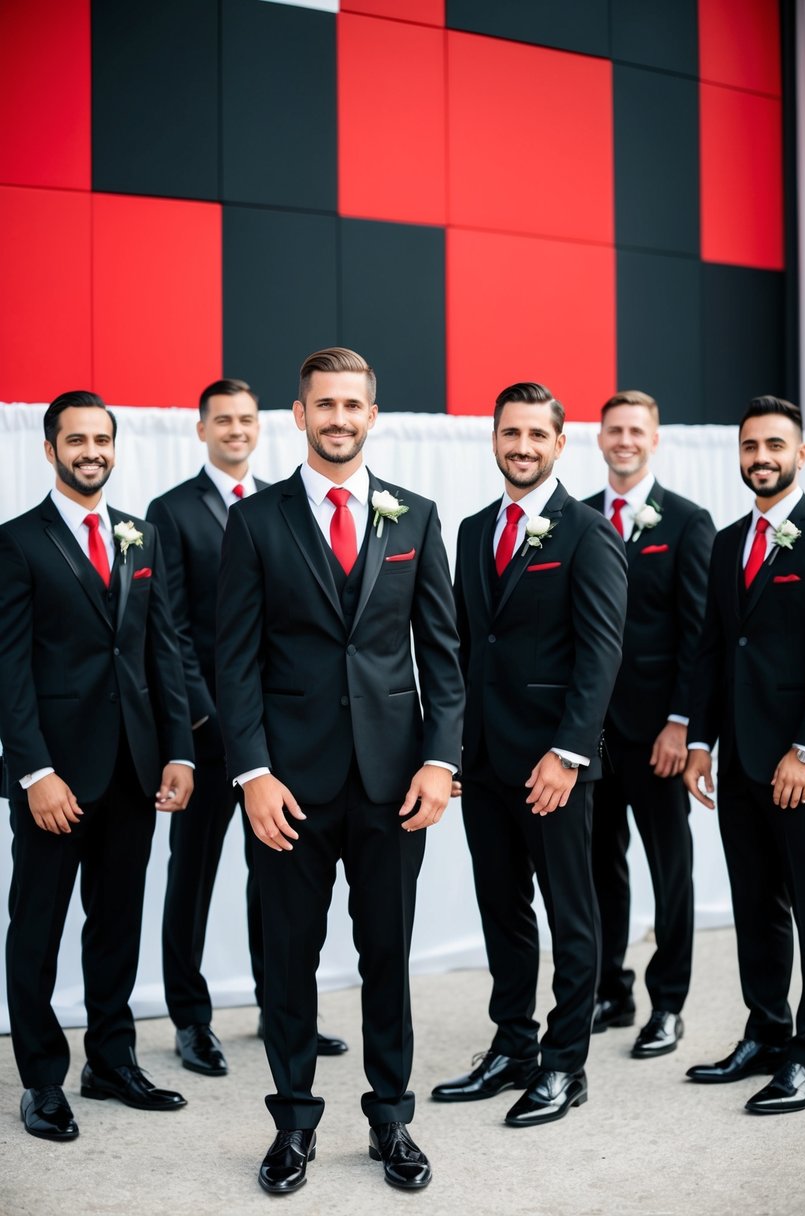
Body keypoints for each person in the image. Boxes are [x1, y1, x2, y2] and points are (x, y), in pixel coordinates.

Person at [214, 347, 464, 1193]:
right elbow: (234, 663)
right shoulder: (255, 521)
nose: (338, 419)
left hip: (395, 783)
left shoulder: (416, 517)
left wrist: (439, 760)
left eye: (352, 405)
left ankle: (391, 1118)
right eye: (324, 405)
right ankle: (291, 1122)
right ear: (299, 415)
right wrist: (250, 772)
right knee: (288, 958)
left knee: (386, 955)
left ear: (371, 413)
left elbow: (443, 653)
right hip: (288, 785)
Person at [0, 390, 194, 1142]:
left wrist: (177, 748)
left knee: (116, 923)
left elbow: (163, 651)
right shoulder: (17, 543)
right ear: (50, 449)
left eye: (102, 439)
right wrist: (33, 772)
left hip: (132, 771)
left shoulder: (139, 536)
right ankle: (43, 1079)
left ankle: (110, 1059)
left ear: (114, 447)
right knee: (38, 927)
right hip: (54, 777)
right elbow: (9, 673)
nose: (91, 451)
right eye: (76, 439)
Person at [432, 381, 626, 1126]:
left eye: (535, 436)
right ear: (493, 439)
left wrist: (569, 753)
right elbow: (455, 646)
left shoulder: (586, 532)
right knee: (501, 910)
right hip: (480, 761)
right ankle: (511, 1044)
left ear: (557, 443)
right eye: (509, 433)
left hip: (554, 766)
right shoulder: (475, 528)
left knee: (570, 915)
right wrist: (447, 749)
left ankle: (563, 1064)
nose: (521, 447)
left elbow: (600, 653)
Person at [147, 379, 347, 1077]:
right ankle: (190, 1019)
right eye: (222, 421)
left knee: (276, 878)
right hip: (205, 730)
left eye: (244, 420)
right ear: (200, 429)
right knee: (193, 875)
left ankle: (279, 1009)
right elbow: (167, 627)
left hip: (279, 736)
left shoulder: (282, 506)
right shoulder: (169, 512)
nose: (235, 430)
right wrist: (207, 714)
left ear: (260, 429)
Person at [684, 395, 805, 1114]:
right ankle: (766, 1031)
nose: (760, 458)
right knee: (755, 905)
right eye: (749, 446)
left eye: (774, 445)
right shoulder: (724, 542)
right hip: (738, 760)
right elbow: (713, 647)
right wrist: (699, 740)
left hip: (803, 767)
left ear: (800, 454)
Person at [584, 390, 714, 1056]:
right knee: (597, 863)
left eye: (636, 430)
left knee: (670, 868)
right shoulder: (574, 517)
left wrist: (680, 724)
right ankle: (609, 985)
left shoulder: (688, 523)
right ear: (599, 438)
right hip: (588, 734)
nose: (625, 439)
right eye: (614, 429)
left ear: (654, 439)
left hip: (657, 733)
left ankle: (668, 1004)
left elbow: (698, 634)